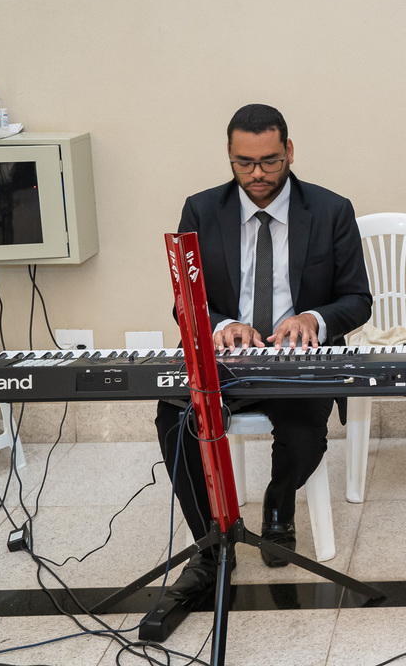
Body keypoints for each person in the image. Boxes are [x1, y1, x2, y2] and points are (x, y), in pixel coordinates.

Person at [155, 103, 371, 603]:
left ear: (289, 151)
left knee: (302, 433)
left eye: (269, 162)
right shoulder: (201, 210)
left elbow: (358, 299)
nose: (256, 174)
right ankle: (209, 543)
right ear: (229, 157)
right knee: (174, 418)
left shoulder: (331, 209)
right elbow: (186, 304)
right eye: (243, 163)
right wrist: (224, 325)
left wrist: (312, 319)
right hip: (229, 363)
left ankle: (279, 502)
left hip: (300, 361)